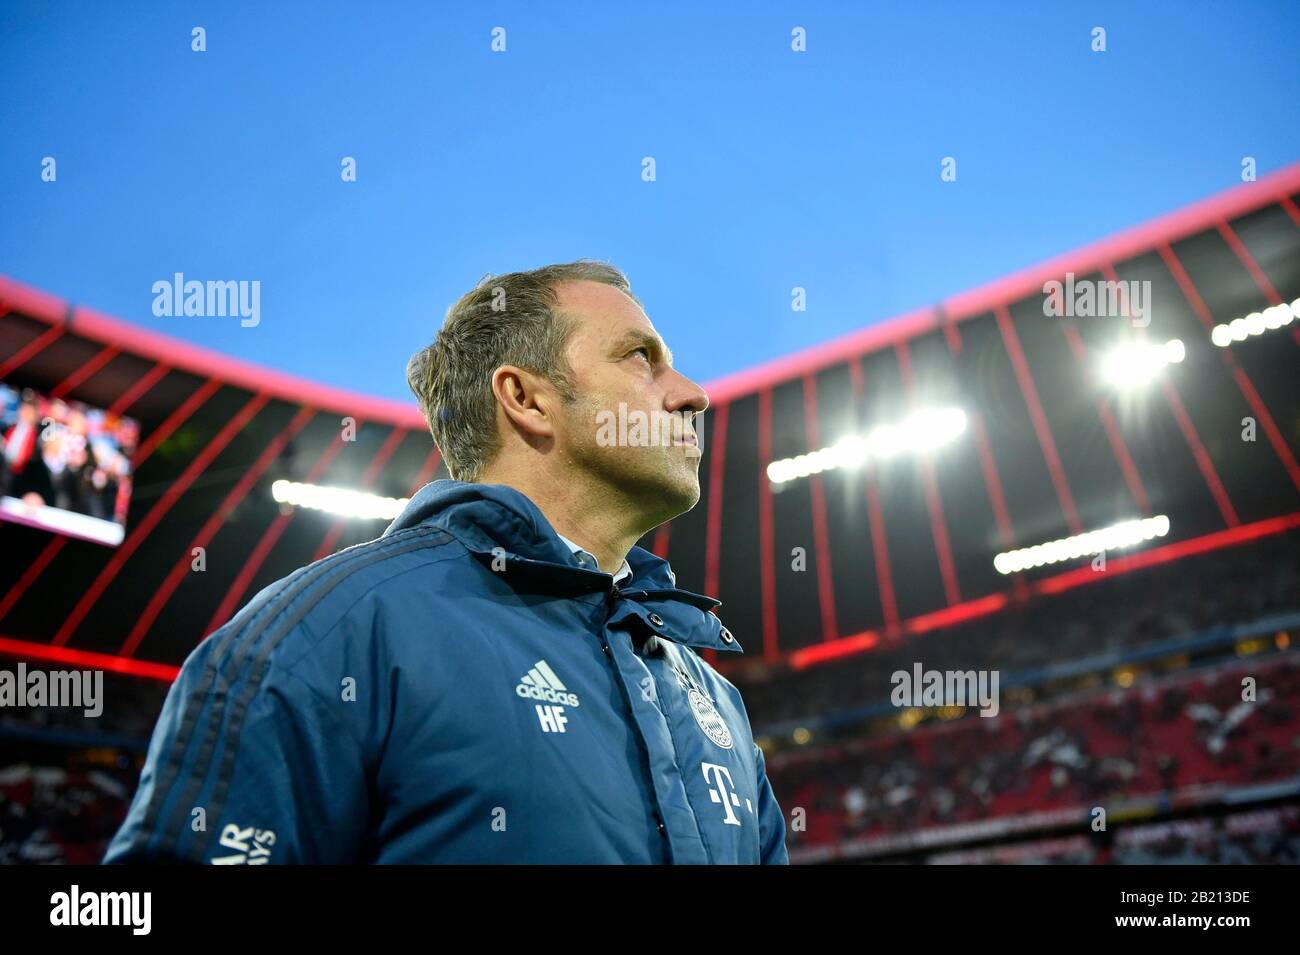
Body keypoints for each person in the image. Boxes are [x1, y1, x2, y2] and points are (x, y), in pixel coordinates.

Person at [105, 260, 788, 864]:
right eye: (642, 356)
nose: (692, 393)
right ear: (526, 398)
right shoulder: (325, 637)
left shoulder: (714, 701)